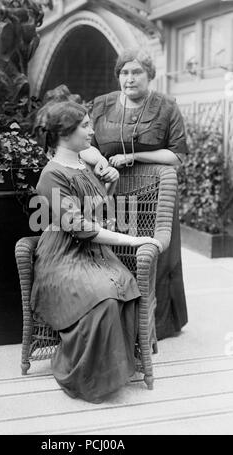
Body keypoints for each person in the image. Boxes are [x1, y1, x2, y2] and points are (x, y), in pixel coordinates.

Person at [31, 100, 162, 403]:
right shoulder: (51, 176)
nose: (92, 130)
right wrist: (135, 240)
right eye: (85, 125)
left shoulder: (83, 164)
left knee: (126, 288)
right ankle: (85, 375)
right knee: (102, 297)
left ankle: (115, 370)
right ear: (65, 133)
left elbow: (98, 213)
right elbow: (79, 227)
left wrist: (110, 185)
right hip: (63, 257)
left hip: (94, 253)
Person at [91, 48, 188, 340]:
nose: (129, 79)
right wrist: (99, 161)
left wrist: (134, 157)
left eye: (136, 73)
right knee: (115, 254)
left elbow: (177, 156)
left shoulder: (167, 106)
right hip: (111, 193)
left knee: (157, 257)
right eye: (124, 72)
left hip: (157, 194)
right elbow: (86, 141)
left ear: (150, 76)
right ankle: (119, 320)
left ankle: (158, 325)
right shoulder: (100, 104)